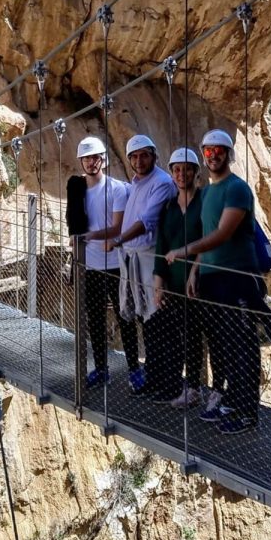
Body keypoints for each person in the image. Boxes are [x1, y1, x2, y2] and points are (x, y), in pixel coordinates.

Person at [165, 128, 261, 432]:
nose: (214, 155)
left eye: (219, 150)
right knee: (227, 345)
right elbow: (208, 236)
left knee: (244, 346)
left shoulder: (237, 189)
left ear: (229, 154)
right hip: (212, 279)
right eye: (208, 151)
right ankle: (231, 402)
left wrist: (183, 252)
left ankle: (248, 413)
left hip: (238, 279)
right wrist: (195, 271)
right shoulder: (207, 193)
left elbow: (222, 234)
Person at [107, 134, 176, 391]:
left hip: (149, 259)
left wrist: (120, 239)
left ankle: (165, 381)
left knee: (157, 319)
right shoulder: (135, 184)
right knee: (144, 318)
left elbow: (148, 219)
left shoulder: (162, 182)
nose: (139, 161)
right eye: (134, 156)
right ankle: (154, 376)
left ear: (154, 156)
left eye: (144, 155)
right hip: (133, 259)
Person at [70, 136, 137, 389]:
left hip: (116, 264)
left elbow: (117, 227)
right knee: (95, 319)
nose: (90, 162)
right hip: (91, 265)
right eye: (86, 158)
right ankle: (100, 368)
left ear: (103, 160)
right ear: (81, 162)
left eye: (94, 157)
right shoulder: (78, 192)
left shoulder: (117, 189)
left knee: (125, 316)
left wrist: (88, 236)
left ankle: (134, 369)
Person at [149, 147, 206, 404]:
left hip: (198, 283)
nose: (182, 174)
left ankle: (196, 387)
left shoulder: (205, 202)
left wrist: (195, 270)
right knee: (175, 335)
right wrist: (158, 285)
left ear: (196, 172)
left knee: (196, 335)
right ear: (172, 174)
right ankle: (176, 385)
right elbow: (162, 247)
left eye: (187, 169)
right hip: (172, 283)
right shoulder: (169, 208)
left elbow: (209, 239)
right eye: (177, 170)